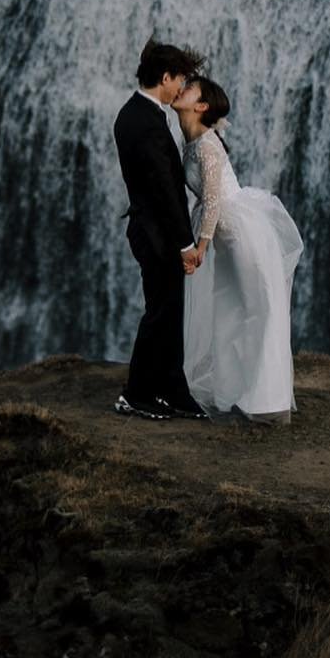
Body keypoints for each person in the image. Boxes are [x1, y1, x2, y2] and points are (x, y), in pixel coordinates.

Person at [173, 77, 304, 423]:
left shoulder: (206, 145)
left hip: (241, 233)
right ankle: (235, 390)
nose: (181, 89)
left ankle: (264, 399)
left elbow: (213, 200)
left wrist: (199, 248)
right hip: (228, 235)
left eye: (190, 89)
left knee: (257, 308)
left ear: (202, 106)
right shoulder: (191, 141)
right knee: (232, 308)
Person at [112, 40, 210, 421]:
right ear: (165, 77)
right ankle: (136, 393)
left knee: (168, 311)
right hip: (157, 234)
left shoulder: (137, 113)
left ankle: (171, 388)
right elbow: (164, 191)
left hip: (151, 229)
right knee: (160, 312)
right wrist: (187, 244)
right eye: (180, 78)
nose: (182, 86)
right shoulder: (146, 121)